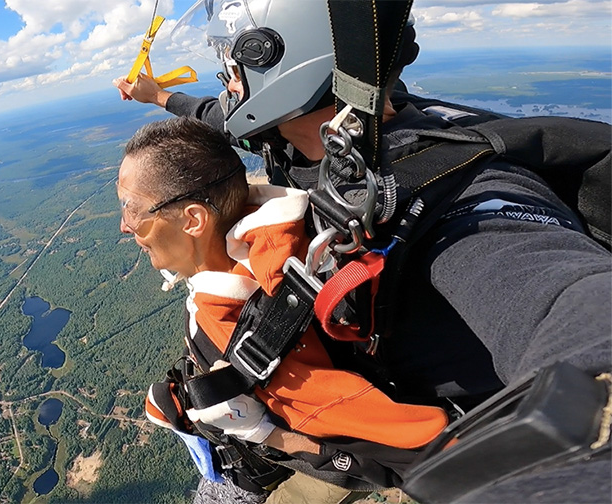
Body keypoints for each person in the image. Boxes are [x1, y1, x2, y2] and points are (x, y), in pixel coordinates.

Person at [115, 1, 611, 503]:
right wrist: (161, 98)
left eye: (231, 60)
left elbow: (573, 302)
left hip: (426, 443)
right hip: (363, 395)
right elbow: (222, 118)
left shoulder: (460, 202)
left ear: (277, 59)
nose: (227, 79)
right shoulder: (321, 135)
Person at [120, 116, 451, 502]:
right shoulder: (267, 241)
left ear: (194, 219)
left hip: (261, 477)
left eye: (133, 211)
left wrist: (261, 432)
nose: (125, 227)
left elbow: (412, 447)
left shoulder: (244, 335)